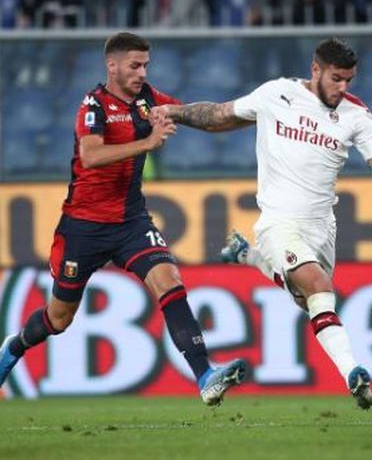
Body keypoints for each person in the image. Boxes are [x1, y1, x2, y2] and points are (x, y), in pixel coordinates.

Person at [149, 37, 372, 409]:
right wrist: (174, 112)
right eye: (336, 79)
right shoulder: (277, 94)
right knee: (317, 284)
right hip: (279, 222)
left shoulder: (357, 116)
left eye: (349, 80)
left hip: (321, 228)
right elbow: (219, 115)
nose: (343, 87)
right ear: (315, 70)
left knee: (308, 299)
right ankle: (353, 372)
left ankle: (247, 256)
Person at [0, 32, 247, 406]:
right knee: (60, 318)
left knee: (170, 280)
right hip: (83, 227)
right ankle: (15, 345)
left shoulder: (148, 100)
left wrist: (254, 112)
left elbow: (209, 119)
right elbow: (91, 155)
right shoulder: (93, 105)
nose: (142, 72)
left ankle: (205, 375)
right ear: (111, 66)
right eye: (135, 65)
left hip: (132, 222)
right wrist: (148, 143)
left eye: (146, 65)